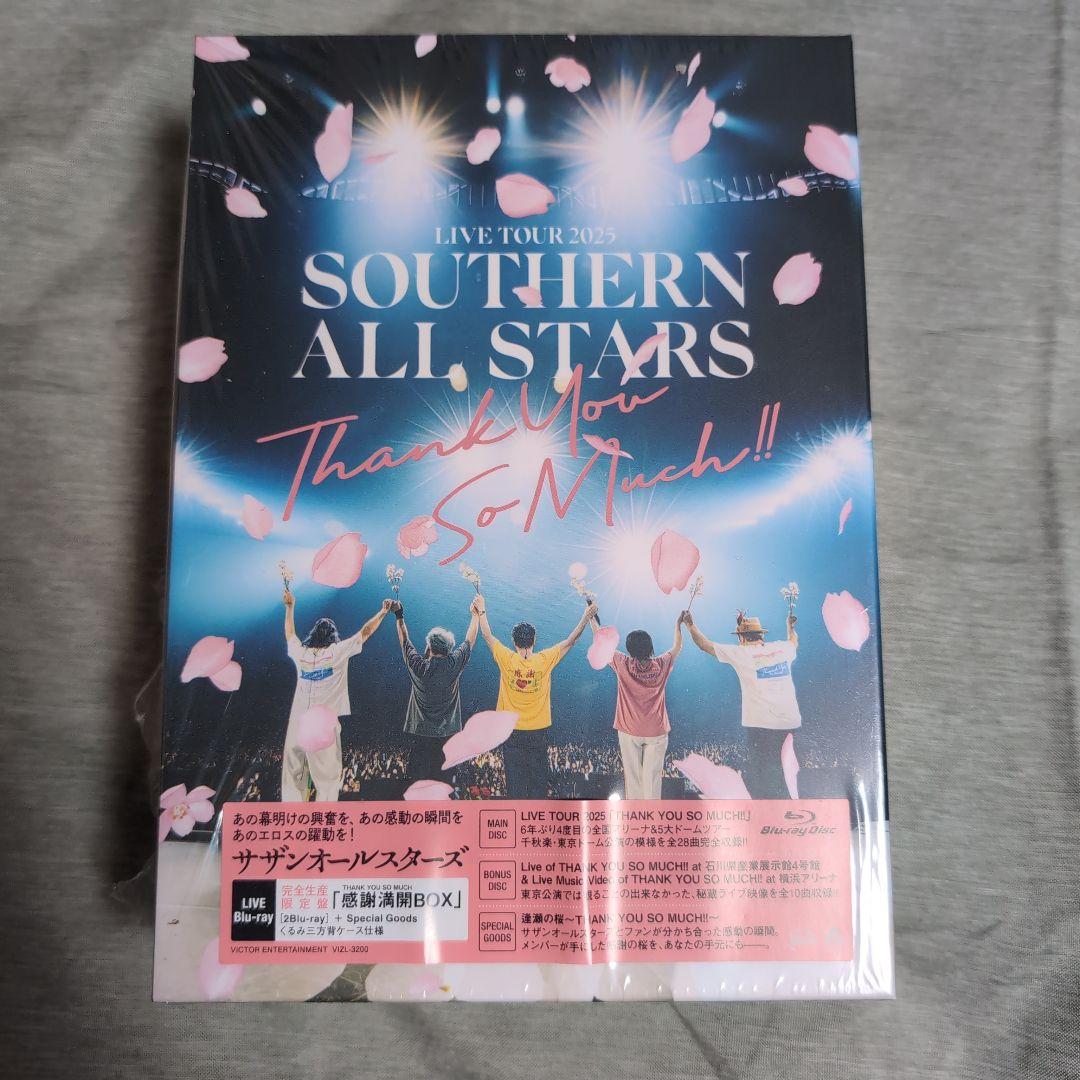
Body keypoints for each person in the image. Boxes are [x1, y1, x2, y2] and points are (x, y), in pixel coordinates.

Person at [476, 598, 597, 798]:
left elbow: (487, 635)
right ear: (534, 640)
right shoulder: (544, 660)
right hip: (538, 731)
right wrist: (586, 617)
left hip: (510, 730)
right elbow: (571, 641)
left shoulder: (506, 658)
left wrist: (481, 610)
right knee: (538, 784)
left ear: (514, 642)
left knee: (515, 784)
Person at [280, 590, 392, 802]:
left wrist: (290, 607)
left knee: (293, 779)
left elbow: (290, 635)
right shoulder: (337, 651)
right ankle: (323, 819)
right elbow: (365, 632)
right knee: (328, 781)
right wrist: (383, 612)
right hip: (321, 725)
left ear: (313, 634)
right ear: (333, 635)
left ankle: (293, 819)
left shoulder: (301, 654)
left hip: (297, 723)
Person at [683, 607, 801, 799]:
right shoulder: (782, 648)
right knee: (788, 773)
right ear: (761, 635)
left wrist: (690, 625)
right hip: (790, 723)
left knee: (764, 776)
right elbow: (794, 641)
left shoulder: (741, 653)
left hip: (761, 726)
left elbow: (704, 645)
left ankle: (769, 811)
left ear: (742, 638)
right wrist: (789, 627)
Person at [589, 612, 684, 799]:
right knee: (652, 780)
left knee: (633, 779)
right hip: (656, 730)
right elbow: (677, 646)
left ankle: (635, 816)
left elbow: (601, 641)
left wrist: (592, 617)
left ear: (629, 649)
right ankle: (651, 816)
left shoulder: (622, 663)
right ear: (650, 647)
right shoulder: (661, 664)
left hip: (629, 730)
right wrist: (679, 624)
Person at [391, 596, 480, 787]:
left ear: (429, 647)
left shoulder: (418, 666)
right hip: (447, 735)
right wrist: (475, 616)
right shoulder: (453, 664)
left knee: (419, 784)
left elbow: (404, 640)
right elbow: (470, 640)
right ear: (449, 649)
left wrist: (399, 615)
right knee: (444, 785)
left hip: (420, 735)